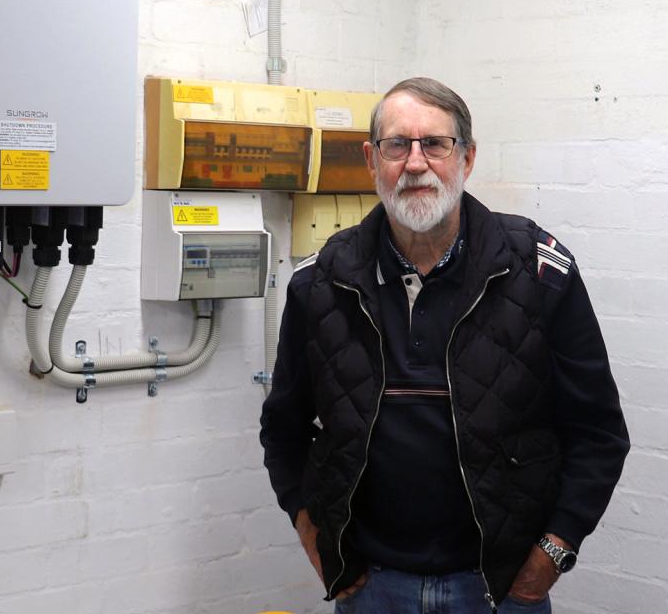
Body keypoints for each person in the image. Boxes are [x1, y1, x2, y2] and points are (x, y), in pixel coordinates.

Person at [259, 77, 629, 613]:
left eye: (435, 143)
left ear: (467, 158)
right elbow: (284, 428)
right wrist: (309, 531)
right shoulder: (320, 284)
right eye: (396, 145)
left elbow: (598, 430)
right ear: (371, 159)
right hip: (372, 589)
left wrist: (555, 549)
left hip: (499, 590)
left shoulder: (540, 273)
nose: (415, 163)